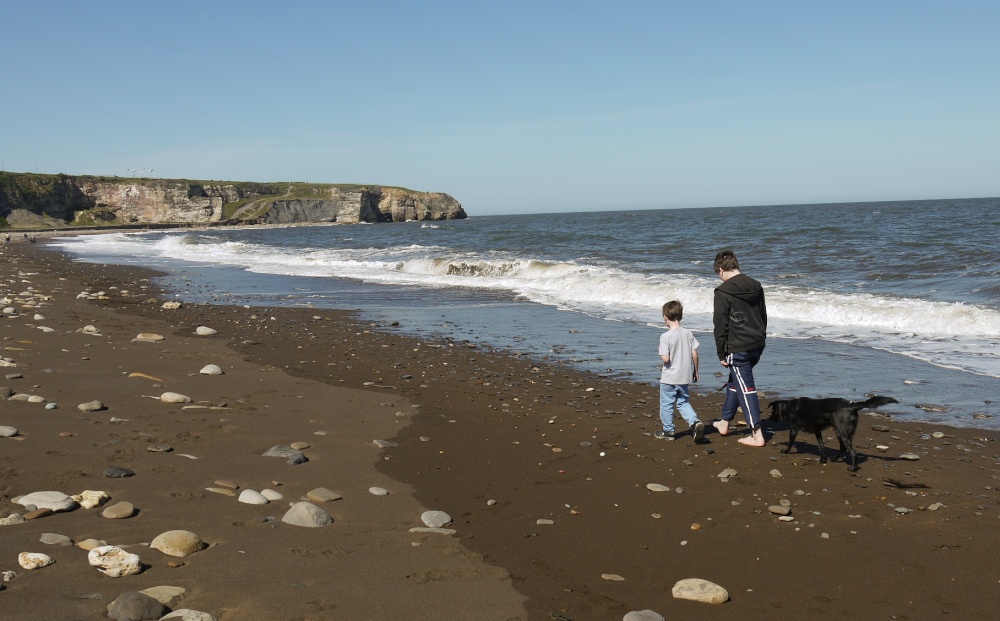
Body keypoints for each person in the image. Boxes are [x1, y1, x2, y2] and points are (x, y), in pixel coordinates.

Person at [711, 250, 768, 447]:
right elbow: (763, 315)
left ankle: (756, 434)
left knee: (746, 388)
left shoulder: (723, 291)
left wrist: (721, 352)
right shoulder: (756, 285)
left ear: (720, 270)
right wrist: (762, 336)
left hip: (738, 346)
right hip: (757, 342)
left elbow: (720, 325)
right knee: (736, 381)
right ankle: (724, 422)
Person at [654, 300, 704, 442]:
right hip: (685, 375)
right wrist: (696, 371)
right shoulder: (688, 333)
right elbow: (695, 354)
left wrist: (662, 354)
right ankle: (695, 422)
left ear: (665, 317)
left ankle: (668, 431)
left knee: (667, 404)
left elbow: (665, 359)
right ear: (680, 316)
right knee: (683, 402)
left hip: (669, 377)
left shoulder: (665, 336)